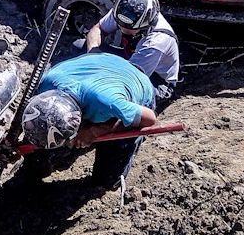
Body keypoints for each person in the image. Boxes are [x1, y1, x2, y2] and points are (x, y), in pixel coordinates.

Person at [22, 52, 157, 189]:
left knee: (107, 181)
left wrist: (95, 131)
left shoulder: (108, 101)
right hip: (102, 64)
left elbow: (150, 118)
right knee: (41, 138)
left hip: (135, 82)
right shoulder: (45, 83)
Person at [84, 0, 180, 99]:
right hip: (130, 60)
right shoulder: (124, 11)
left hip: (154, 79)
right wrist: (93, 52)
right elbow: (98, 29)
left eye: (128, 28)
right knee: (80, 46)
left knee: (111, 97)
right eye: (120, 25)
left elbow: (128, 79)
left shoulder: (156, 42)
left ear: (145, 25)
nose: (122, 29)